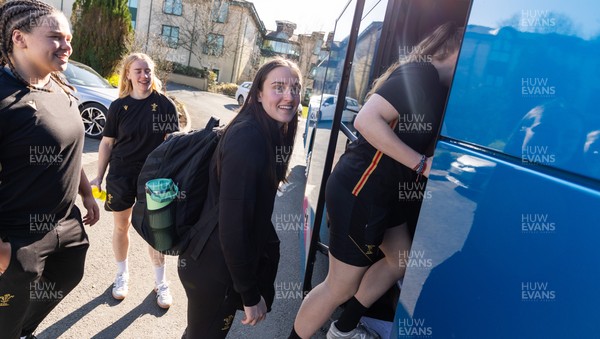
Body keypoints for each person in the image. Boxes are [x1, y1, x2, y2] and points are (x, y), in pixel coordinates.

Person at [289, 22, 464, 339]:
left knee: (400, 259)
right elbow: (366, 120)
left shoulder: (434, 86)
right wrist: (422, 164)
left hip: (384, 193)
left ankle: (341, 331)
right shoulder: (420, 74)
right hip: (362, 189)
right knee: (339, 286)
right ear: (455, 47)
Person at [177, 58, 301, 338]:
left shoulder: (265, 132)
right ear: (258, 93)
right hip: (215, 271)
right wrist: (249, 294)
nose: (289, 96)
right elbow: (233, 226)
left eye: (295, 88)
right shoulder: (249, 139)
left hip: (213, 262)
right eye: (278, 87)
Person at [0, 1, 100, 338]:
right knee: (5, 320)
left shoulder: (61, 87)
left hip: (66, 225)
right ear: (20, 38)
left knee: (68, 276)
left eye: (69, 38)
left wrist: (86, 195)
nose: (67, 45)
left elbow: (68, 149)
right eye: (56, 36)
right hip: (17, 236)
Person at [90, 52, 179, 309]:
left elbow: (172, 146)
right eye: (138, 71)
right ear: (127, 74)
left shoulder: (165, 106)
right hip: (121, 174)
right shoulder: (118, 107)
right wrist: (99, 175)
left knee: (157, 232)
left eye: (148, 70)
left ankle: (161, 282)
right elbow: (107, 143)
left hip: (154, 178)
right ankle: (122, 275)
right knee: (121, 226)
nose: (144, 76)